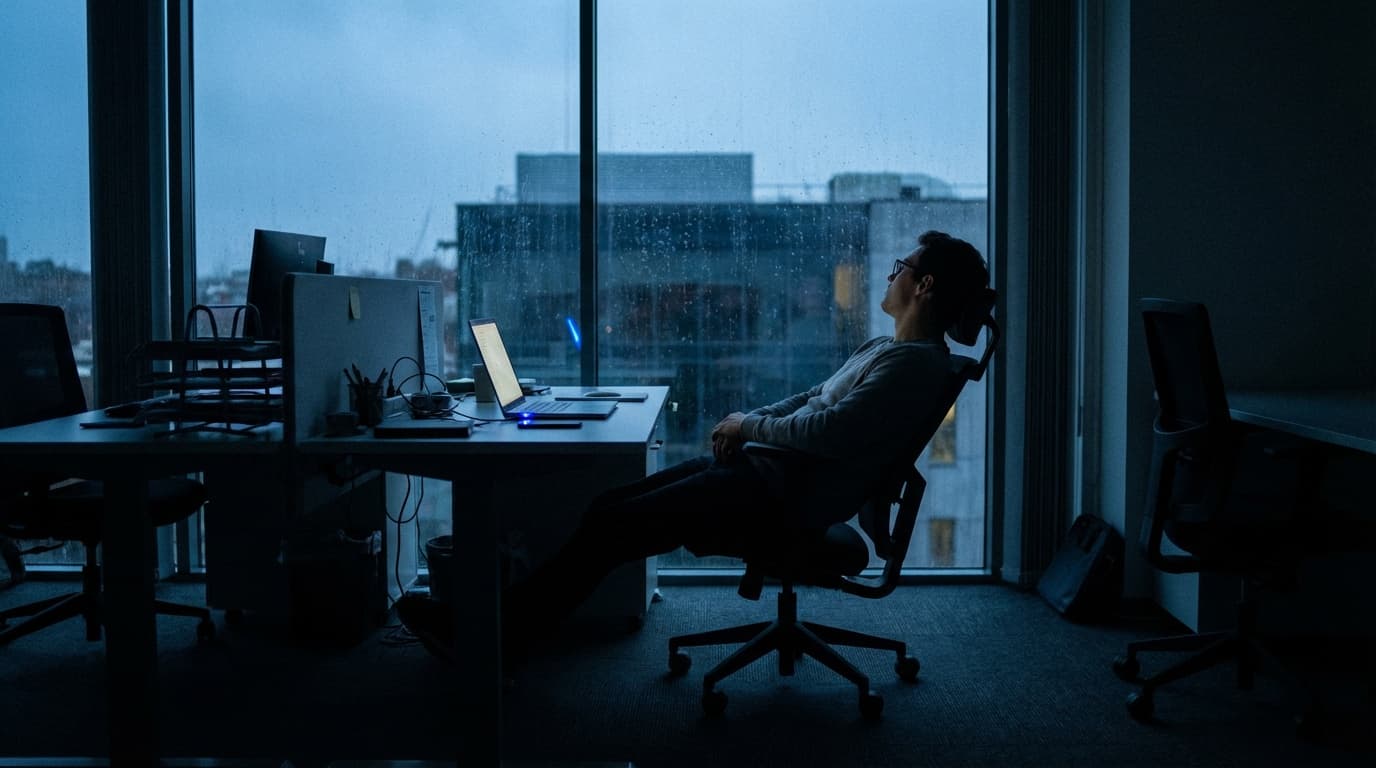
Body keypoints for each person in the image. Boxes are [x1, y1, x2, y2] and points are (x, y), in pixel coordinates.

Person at [397, 230, 990, 668]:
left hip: (783, 494)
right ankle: (498, 631)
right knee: (610, 508)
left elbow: (828, 432)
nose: (890, 275)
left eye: (900, 267)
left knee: (616, 524)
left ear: (925, 284)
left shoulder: (914, 365)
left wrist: (748, 427)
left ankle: (489, 642)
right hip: (769, 473)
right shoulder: (881, 349)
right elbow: (812, 399)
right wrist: (747, 421)